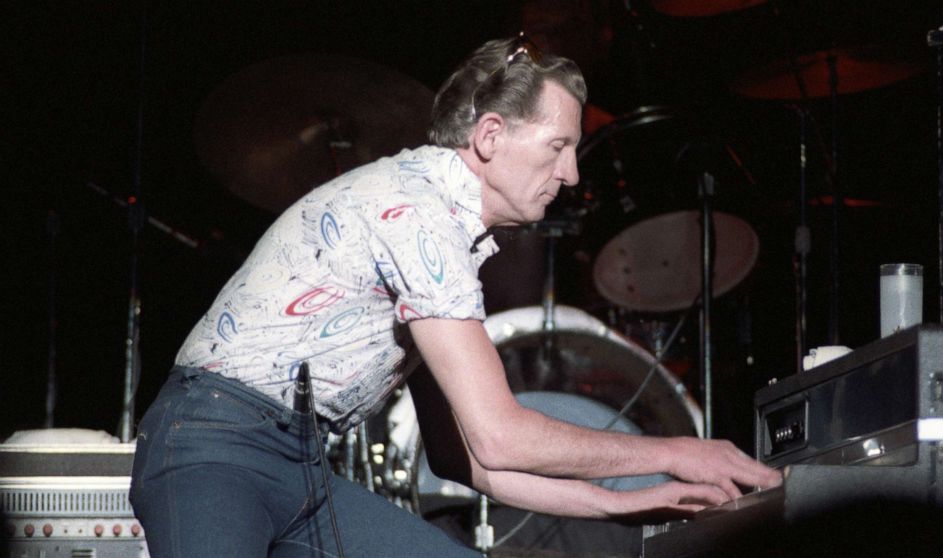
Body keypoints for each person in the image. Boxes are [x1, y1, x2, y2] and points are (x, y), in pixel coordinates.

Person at [129, 35, 781, 557]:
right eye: (558, 147)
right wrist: (677, 451)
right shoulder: (417, 212)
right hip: (213, 446)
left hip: (302, 468)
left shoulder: (449, 237)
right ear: (491, 136)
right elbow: (501, 439)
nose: (572, 174)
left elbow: (466, 459)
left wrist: (619, 500)